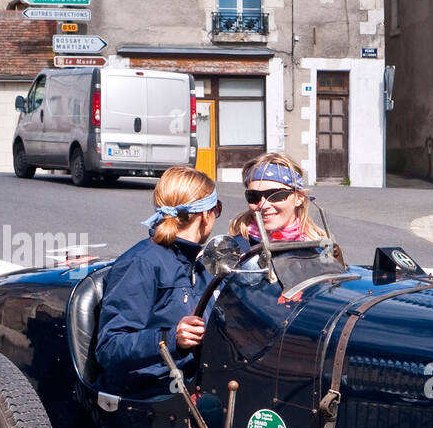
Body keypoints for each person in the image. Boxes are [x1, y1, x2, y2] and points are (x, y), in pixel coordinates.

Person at [95, 166, 219, 397]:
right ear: (205, 215)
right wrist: (171, 338)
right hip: (150, 394)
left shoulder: (199, 262)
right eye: (217, 208)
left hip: (192, 381)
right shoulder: (140, 264)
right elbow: (109, 348)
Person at [228, 151, 347, 266]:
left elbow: (332, 281)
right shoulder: (235, 250)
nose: (263, 205)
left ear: (299, 197)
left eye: (275, 195)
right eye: (254, 196)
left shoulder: (320, 246)